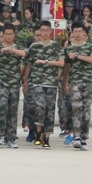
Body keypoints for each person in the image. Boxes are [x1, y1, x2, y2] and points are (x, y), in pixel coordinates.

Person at [22, 21, 65, 149]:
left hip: (51, 83)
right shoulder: (34, 47)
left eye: (47, 30)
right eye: (42, 30)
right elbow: (28, 65)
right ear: (39, 32)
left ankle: (46, 137)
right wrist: (25, 81)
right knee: (40, 106)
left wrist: (46, 62)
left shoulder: (56, 46)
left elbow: (62, 63)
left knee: (50, 110)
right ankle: (39, 132)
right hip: (36, 81)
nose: (45, 33)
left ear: (51, 31)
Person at [0, 24, 26, 149]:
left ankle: (11, 138)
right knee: (0, 109)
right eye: (6, 34)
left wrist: (11, 50)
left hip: (13, 83)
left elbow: (24, 56)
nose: (9, 36)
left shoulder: (18, 48)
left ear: (14, 35)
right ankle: (0, 135)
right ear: (2, 35)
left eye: (11, 34)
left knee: (12, 112)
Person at [62, 22, 92, 151]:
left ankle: (84, 137)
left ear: (84, 33)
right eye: (75, 31)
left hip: (88, 83)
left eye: (80, 31)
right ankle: (77, 136)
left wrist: (77, 56)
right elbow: (66, 67)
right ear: (72, 33)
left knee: (86, 112)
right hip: (74, 83)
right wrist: (64, 83)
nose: (77, 34)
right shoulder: (68, 49)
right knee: (76, 109)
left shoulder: (90, 47)